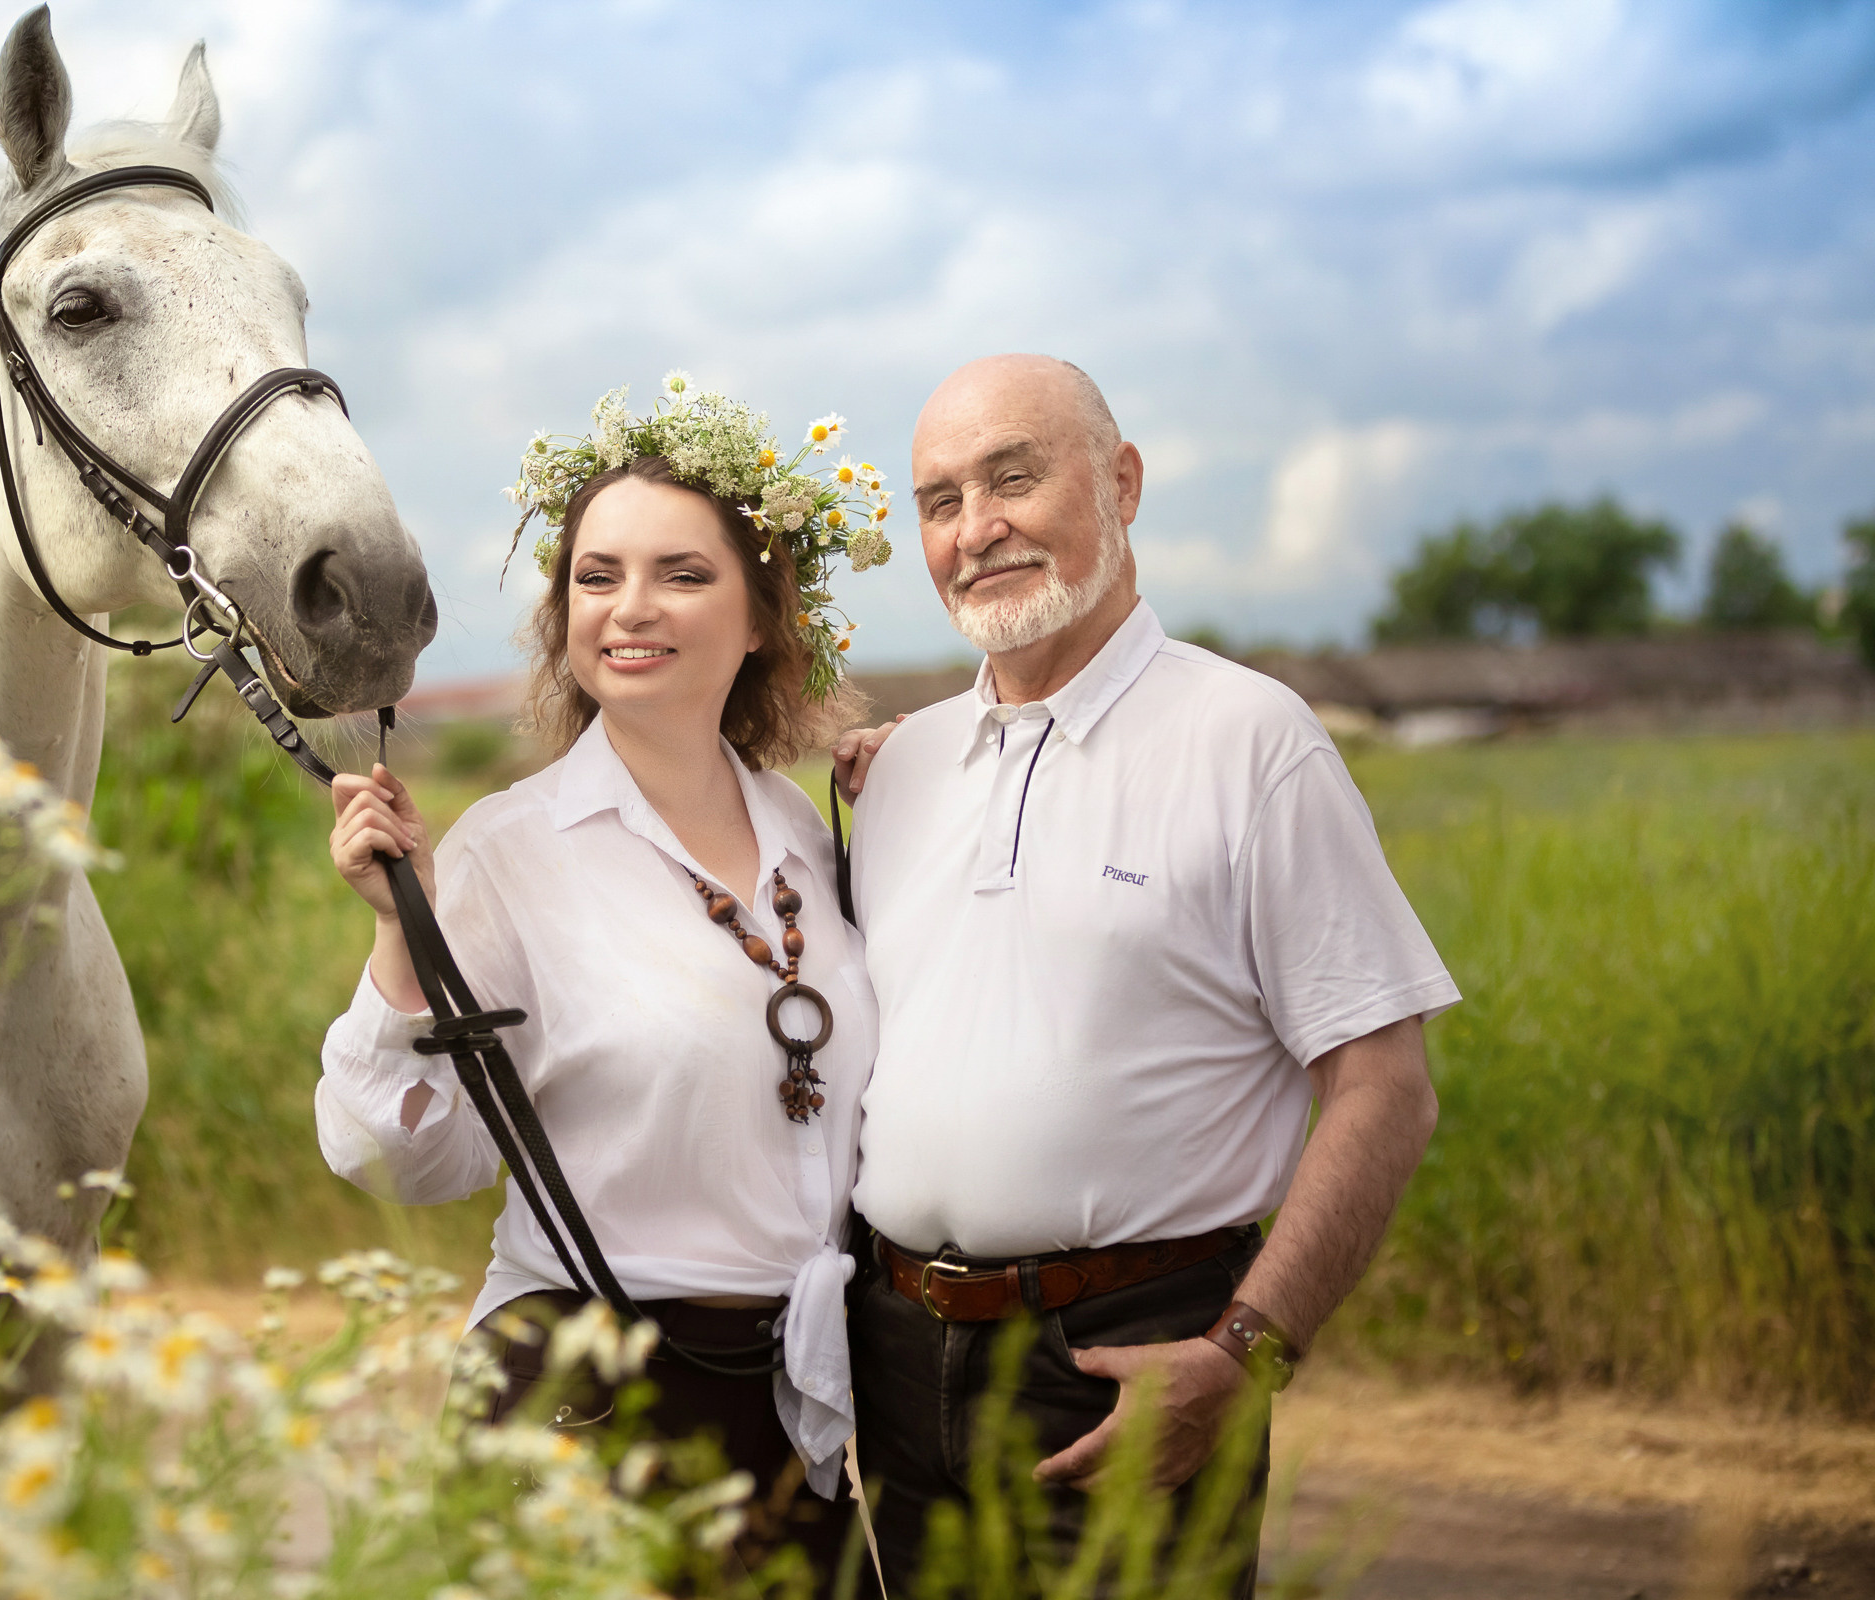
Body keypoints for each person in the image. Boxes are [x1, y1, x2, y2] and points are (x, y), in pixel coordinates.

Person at [828, 354, 1458, 1594]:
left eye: (1015, 478)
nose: (978, 527)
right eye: (941, 499)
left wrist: (1245, 1351)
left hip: (1125, 1356)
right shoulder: (900, 770)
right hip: (895, 1359)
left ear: (1120, 482)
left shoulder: (1249, 740)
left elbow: (1386, 1085)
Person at [314, 378, 896, 1584]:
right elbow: (399, 1160)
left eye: (682, 573)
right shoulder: (506, 852)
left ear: (758, 615)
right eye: (596, 575)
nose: (630, 608)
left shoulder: (815, 833)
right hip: (580, 1399)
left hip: (791, 1411)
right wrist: (395, 936)